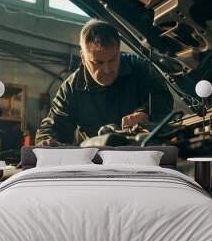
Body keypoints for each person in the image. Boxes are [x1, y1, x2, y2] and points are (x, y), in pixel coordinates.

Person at [35, 19, 174, 146]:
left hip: (142, 151)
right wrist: (46, 141)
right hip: (95, 160)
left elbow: (163, 98)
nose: (107, 70)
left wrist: (146, 113)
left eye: (112, 60)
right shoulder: (71, 88)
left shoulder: (140, 68)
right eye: (98, 62)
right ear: (83, 57)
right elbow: (52, 126)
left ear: (119, 51)